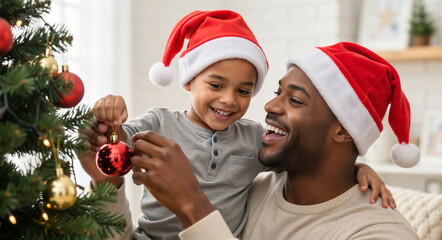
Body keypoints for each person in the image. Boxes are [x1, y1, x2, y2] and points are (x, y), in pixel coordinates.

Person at [79, 10, 395, 240]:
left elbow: (320, 164)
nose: (231, 100)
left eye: (244, 91)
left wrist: (358, 169)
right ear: (189, 82)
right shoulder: (160, 123)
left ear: (344, 131)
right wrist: (109, 124)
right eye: (216, 85)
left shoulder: (253, 140)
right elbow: (116, 141)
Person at [123, 42, 420, 239]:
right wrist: (108, 187)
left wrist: (192, 205)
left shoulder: (376, 233)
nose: (269, 106)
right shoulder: (251, 189)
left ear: (344, 131)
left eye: (295, 100)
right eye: (278, 92)